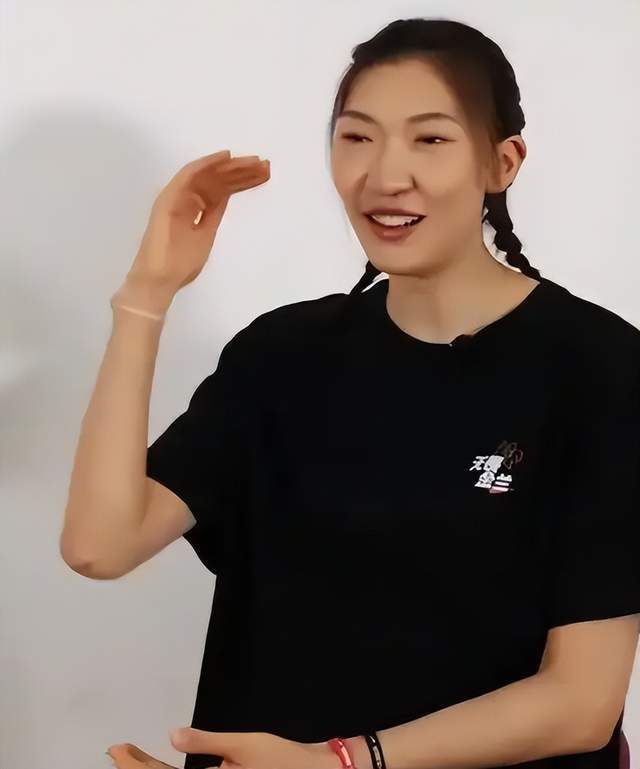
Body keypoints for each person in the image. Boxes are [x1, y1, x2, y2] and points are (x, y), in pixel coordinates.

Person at [63, 17, 640, 769]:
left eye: (429, 139)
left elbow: (581, 704)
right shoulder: (282, 353)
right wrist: (146, 296)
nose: (385, 175)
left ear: (502, 162)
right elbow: (100, 546)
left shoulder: (600, 367)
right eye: (357, 137)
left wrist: (338, 763)